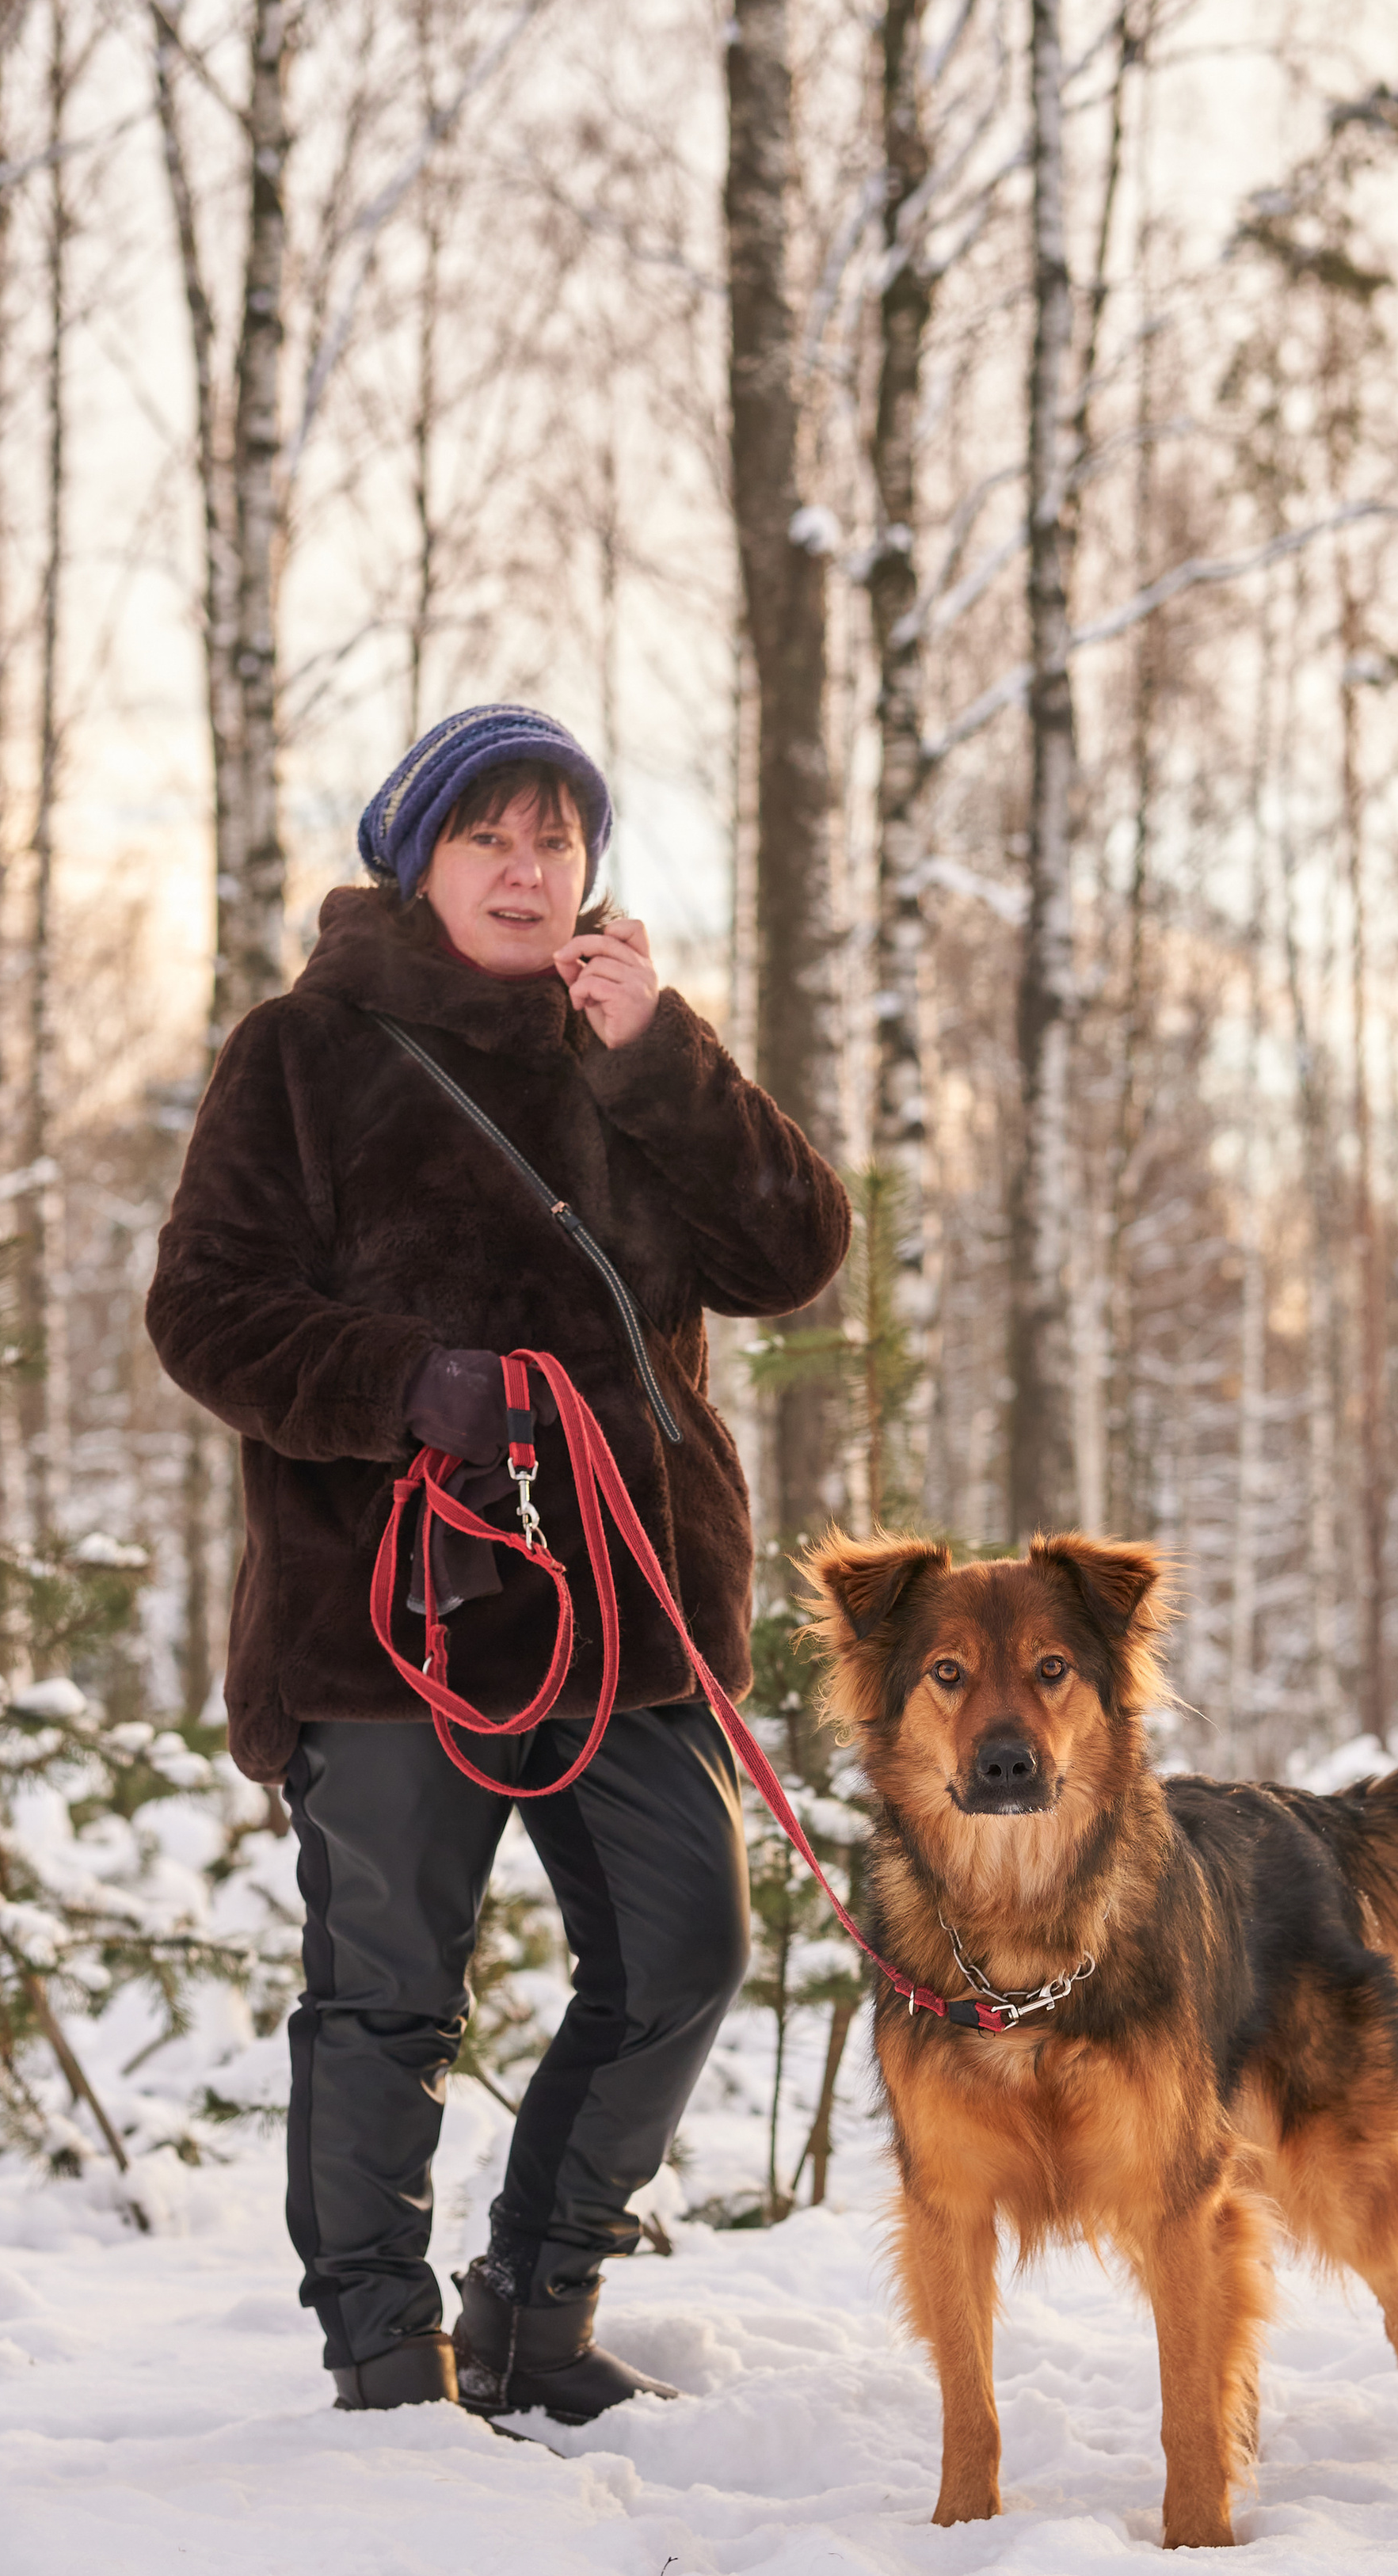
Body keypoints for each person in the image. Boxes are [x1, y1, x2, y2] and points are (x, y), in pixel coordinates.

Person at [147, 705, 850, 2419]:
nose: (528, 872)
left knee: (685, 1950)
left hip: (626, 1606)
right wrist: (408, 1385)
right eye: (490, 838)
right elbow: (204, 1310)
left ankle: (538, 2306)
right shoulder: (302, 1050)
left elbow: (792, 1254)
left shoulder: (628, 1039)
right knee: (387, 1995)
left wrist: (665, 1057)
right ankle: (386, 2352)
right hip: (387, 1611)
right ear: (421, 861)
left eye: (556, 840)